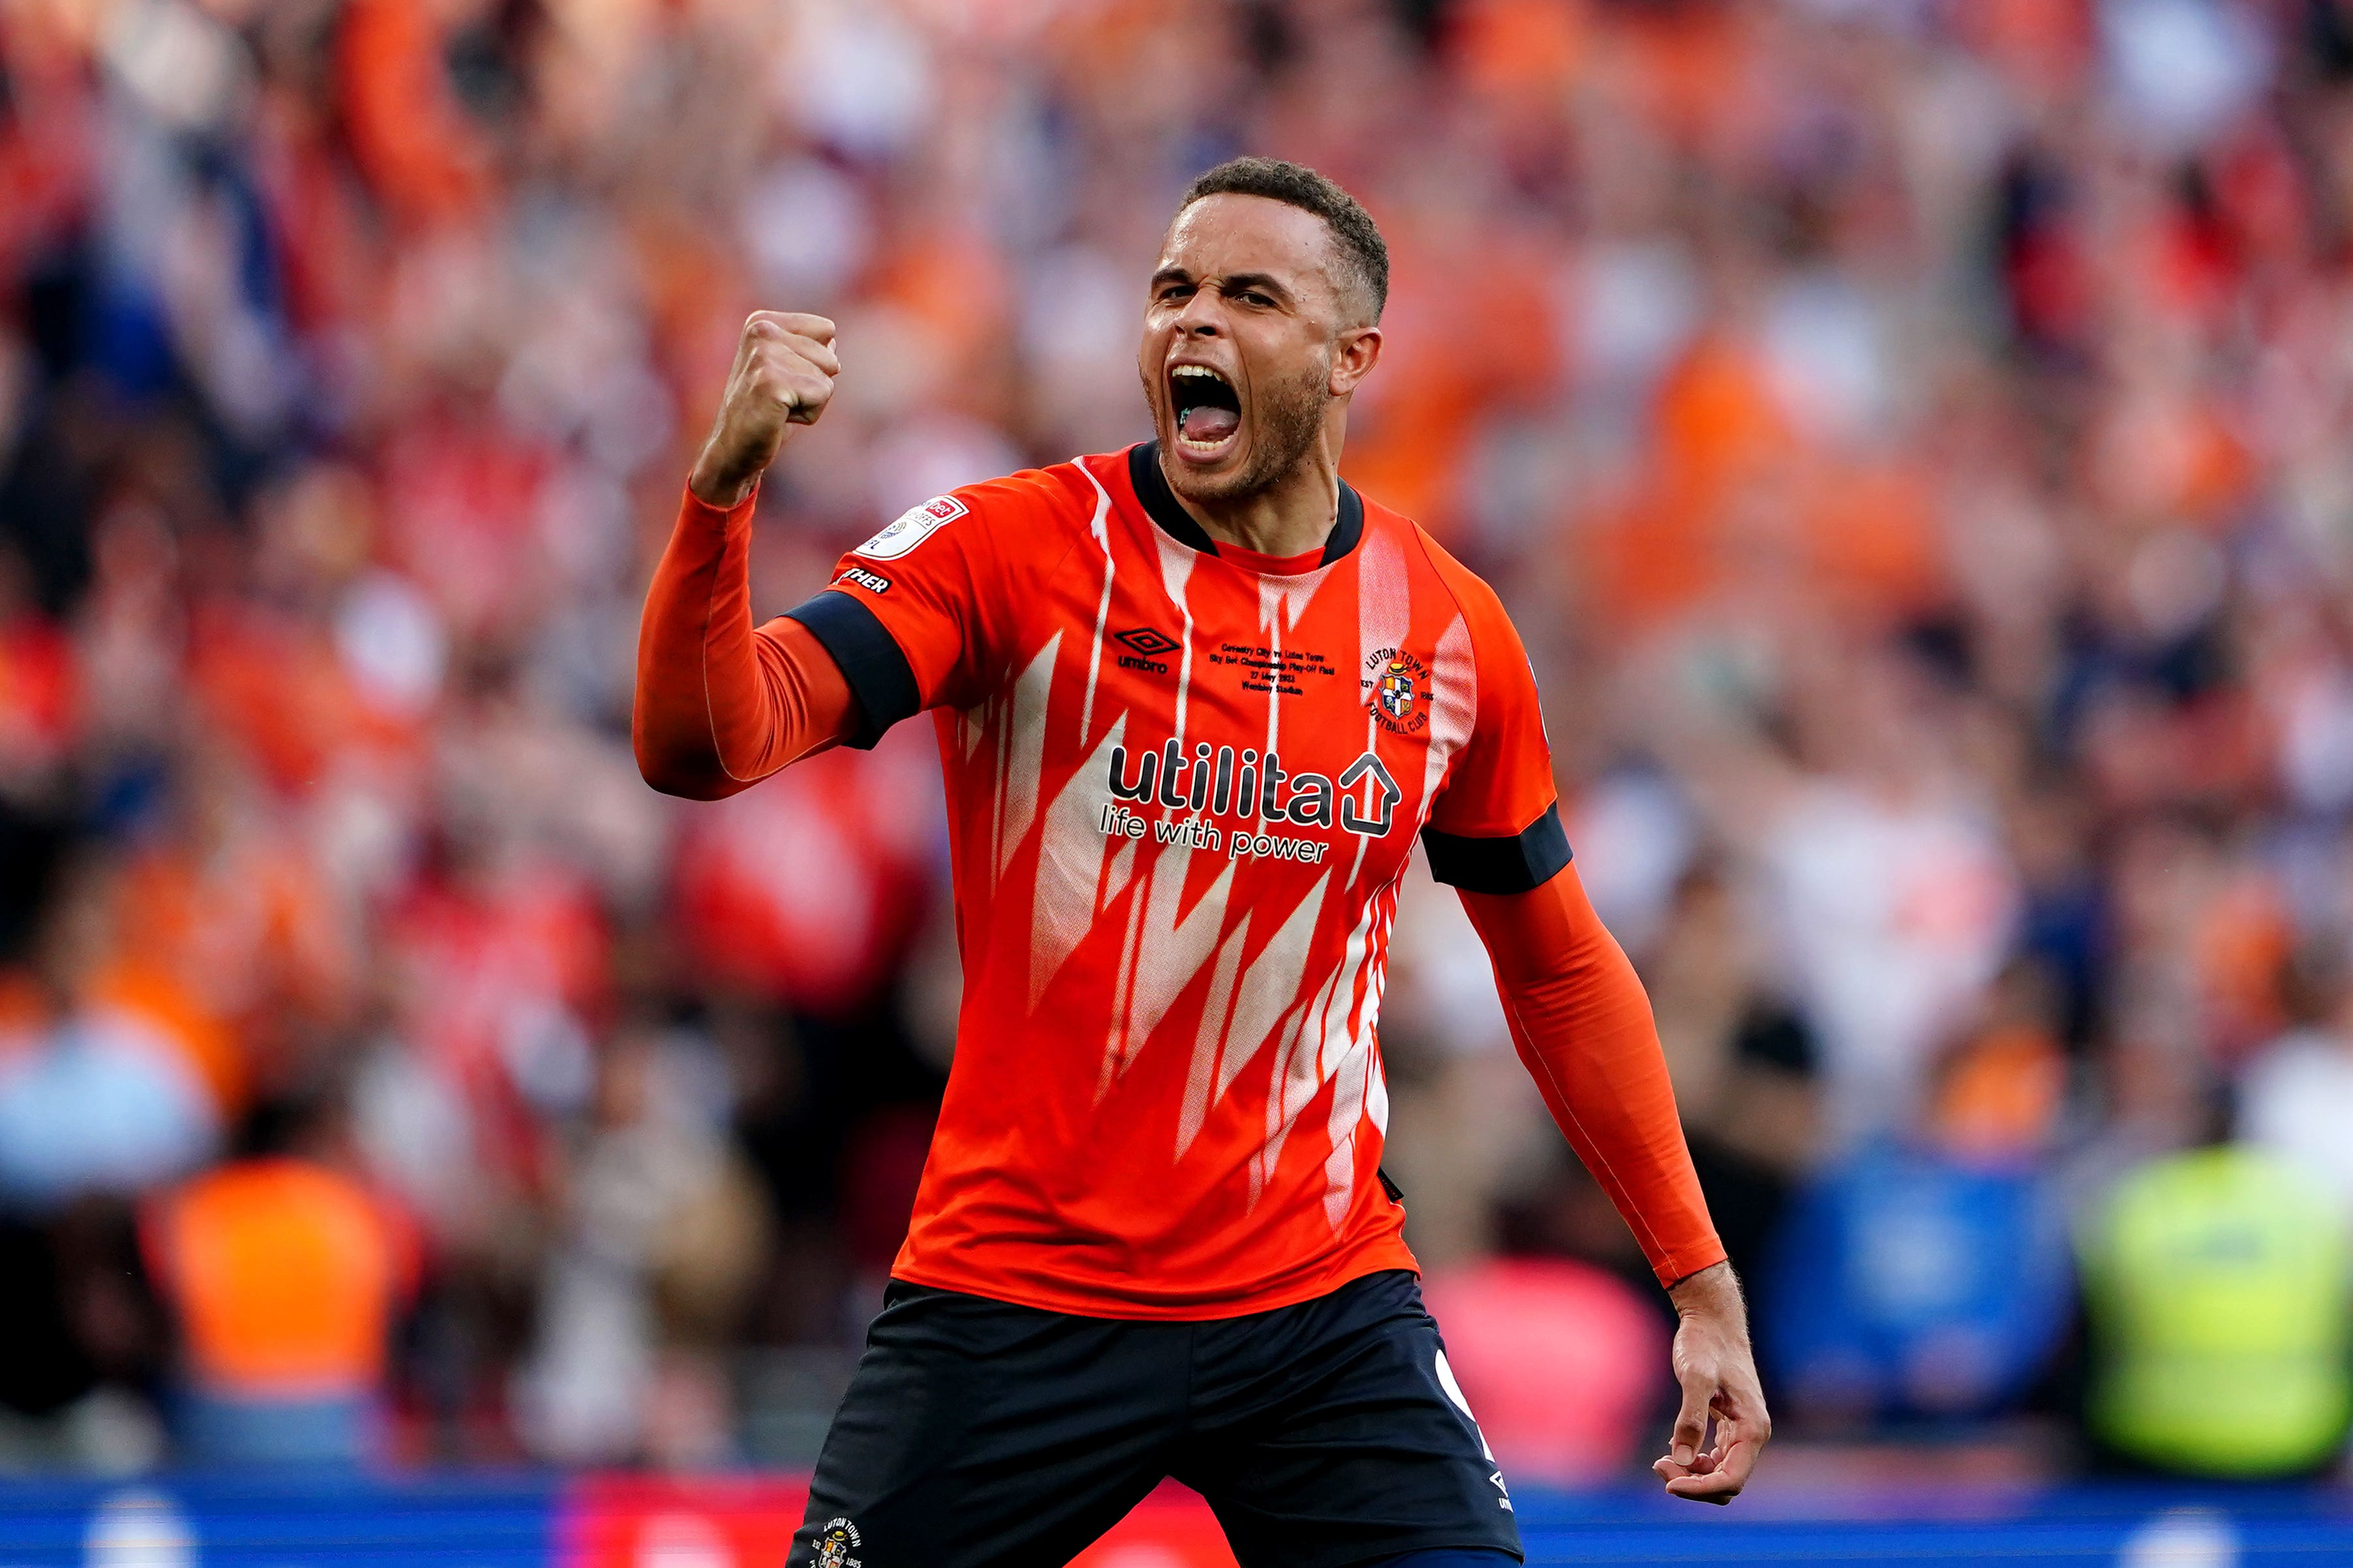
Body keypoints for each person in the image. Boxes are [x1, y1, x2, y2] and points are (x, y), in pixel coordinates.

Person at [636, 156, 1768, 1568]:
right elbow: (707, 743)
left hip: (1315, 1303)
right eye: (1172, 289)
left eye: (1248, 296)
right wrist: (722, 490)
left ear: (1352, 358)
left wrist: (1699, 1282)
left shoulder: (1448, 630)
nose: (1192, 325)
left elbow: (1556, 969)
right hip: (1015, 1296)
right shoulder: (1013, 551)